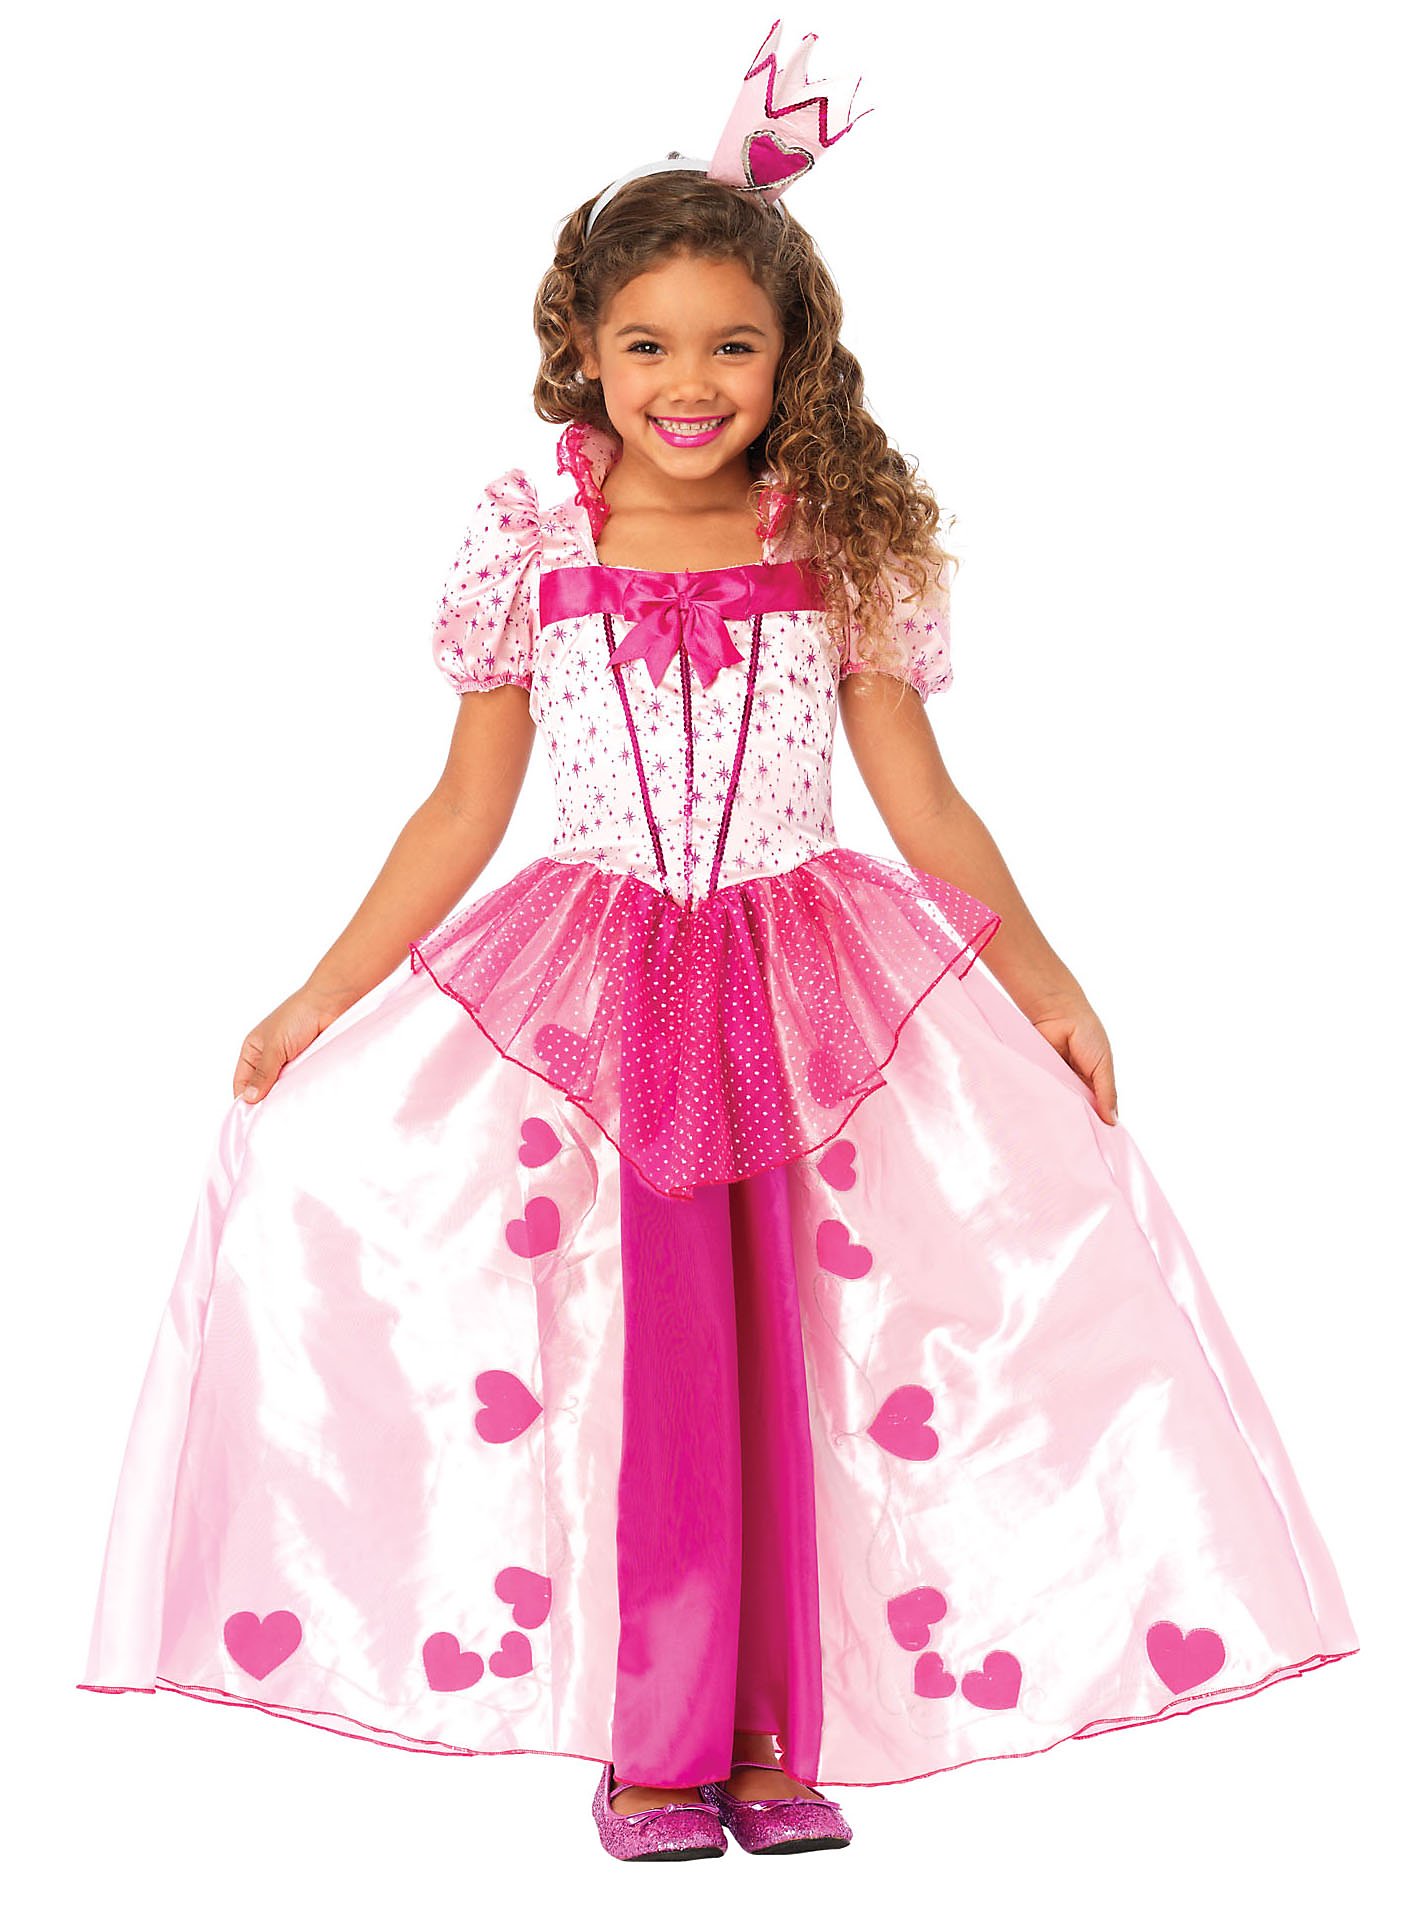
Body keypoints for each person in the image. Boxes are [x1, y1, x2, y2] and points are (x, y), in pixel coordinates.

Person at [76, 19, 1359, 1866]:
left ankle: (770, 1733)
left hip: (801, 977)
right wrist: (318, 994)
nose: (690, 383)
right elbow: (461, 808)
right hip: (602, 982)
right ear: (582, 349)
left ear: (791, 353)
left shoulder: (833, 531)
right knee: (657, 1367)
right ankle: (655, 1742)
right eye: (649, 345)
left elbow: (922, 800)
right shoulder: (531, 531)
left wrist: (1050, 980)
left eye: (732, 345)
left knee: (797, 1352)